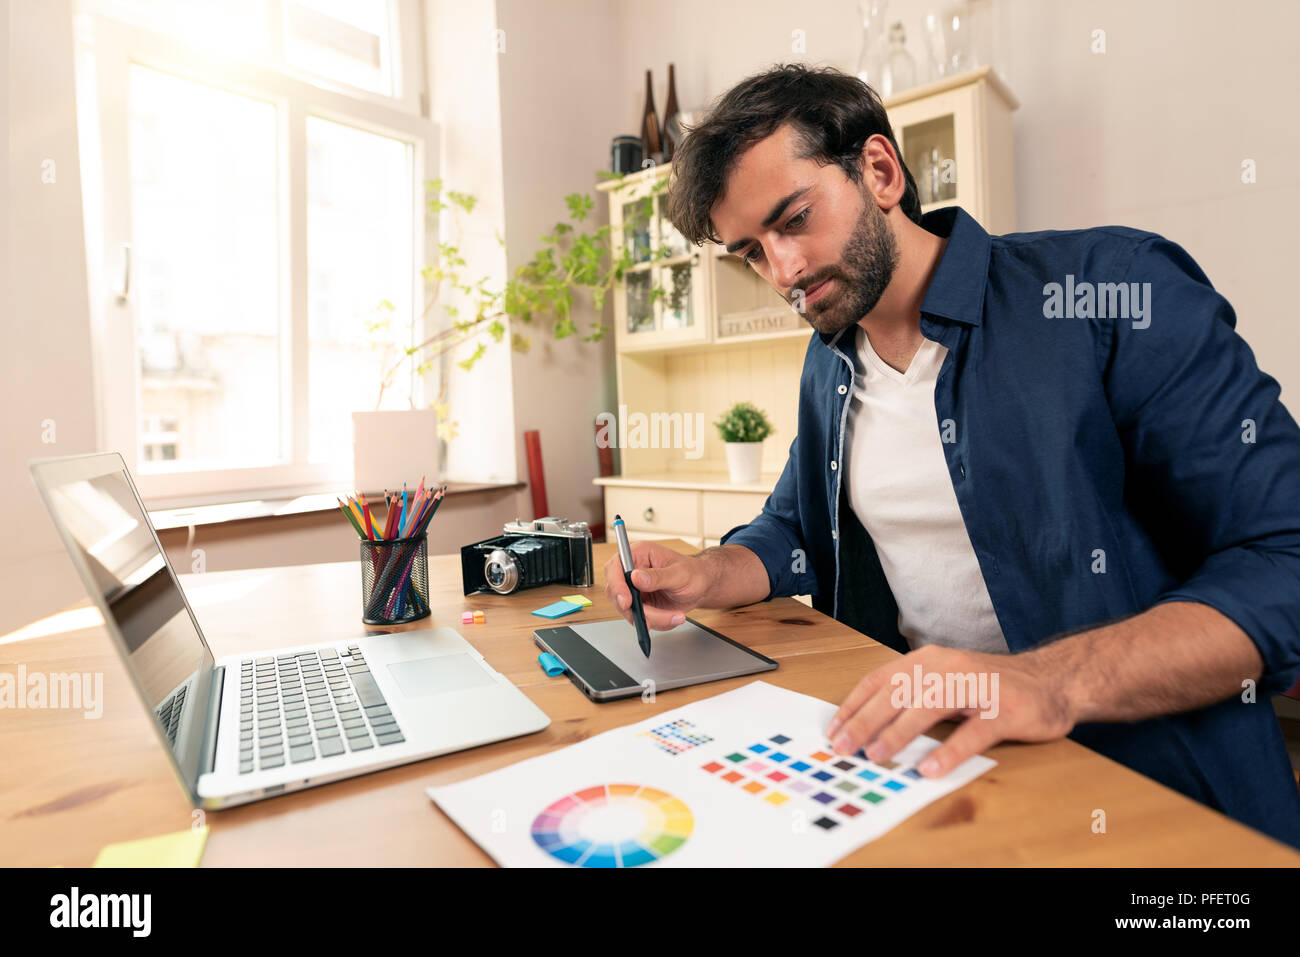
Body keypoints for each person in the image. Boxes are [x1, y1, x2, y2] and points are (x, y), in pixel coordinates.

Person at [602, 63, 1300, 849]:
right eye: (752, 253)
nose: (785, 272)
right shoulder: (831, 361)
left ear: (880, 171)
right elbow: (796, 530)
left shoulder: (1112, 289)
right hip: (936, 769)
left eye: (793, 219)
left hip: (1153, 786)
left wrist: (1046, 680)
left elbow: (1284, 556)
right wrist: (706, 572)